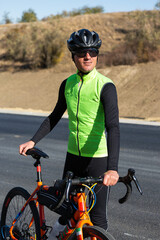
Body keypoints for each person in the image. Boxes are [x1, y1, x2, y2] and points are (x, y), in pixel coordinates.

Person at [19, 29, 120, 238]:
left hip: (98, 159)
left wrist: (112, 169)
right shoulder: (67, 84)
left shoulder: (106, 86)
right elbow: (54, 116)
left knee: (98, 217)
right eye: (82, 52)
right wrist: (33, 140)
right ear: (73, 56)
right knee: (66, 209)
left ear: (97, 54)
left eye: (92, 52)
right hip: (73, 157)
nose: (88, 56)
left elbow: (113, 127)